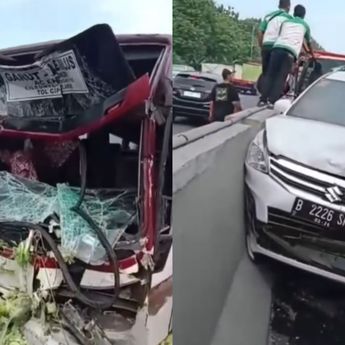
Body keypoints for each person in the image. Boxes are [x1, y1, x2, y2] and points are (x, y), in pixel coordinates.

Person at [260, 4, 314, 108]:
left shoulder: (286, 22)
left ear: (293, 13)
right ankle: (272, 102)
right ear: (304, 15)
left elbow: (282, 34)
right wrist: (311, 54)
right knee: (281, 77)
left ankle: (262, 99)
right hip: (290, 52)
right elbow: (308, 42)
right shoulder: (305, 25)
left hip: (277, 48)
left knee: (270, 74)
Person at [257, 0, 292, 103]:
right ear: (289, 7)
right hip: (278, 47)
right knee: (278, 75)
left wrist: (261, 45)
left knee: (266, 73)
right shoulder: (289, 19)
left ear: (278, 5)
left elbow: (260, 31)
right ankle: (271, 99)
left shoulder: (269, 16)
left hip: (266, 46)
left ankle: (263, 98)